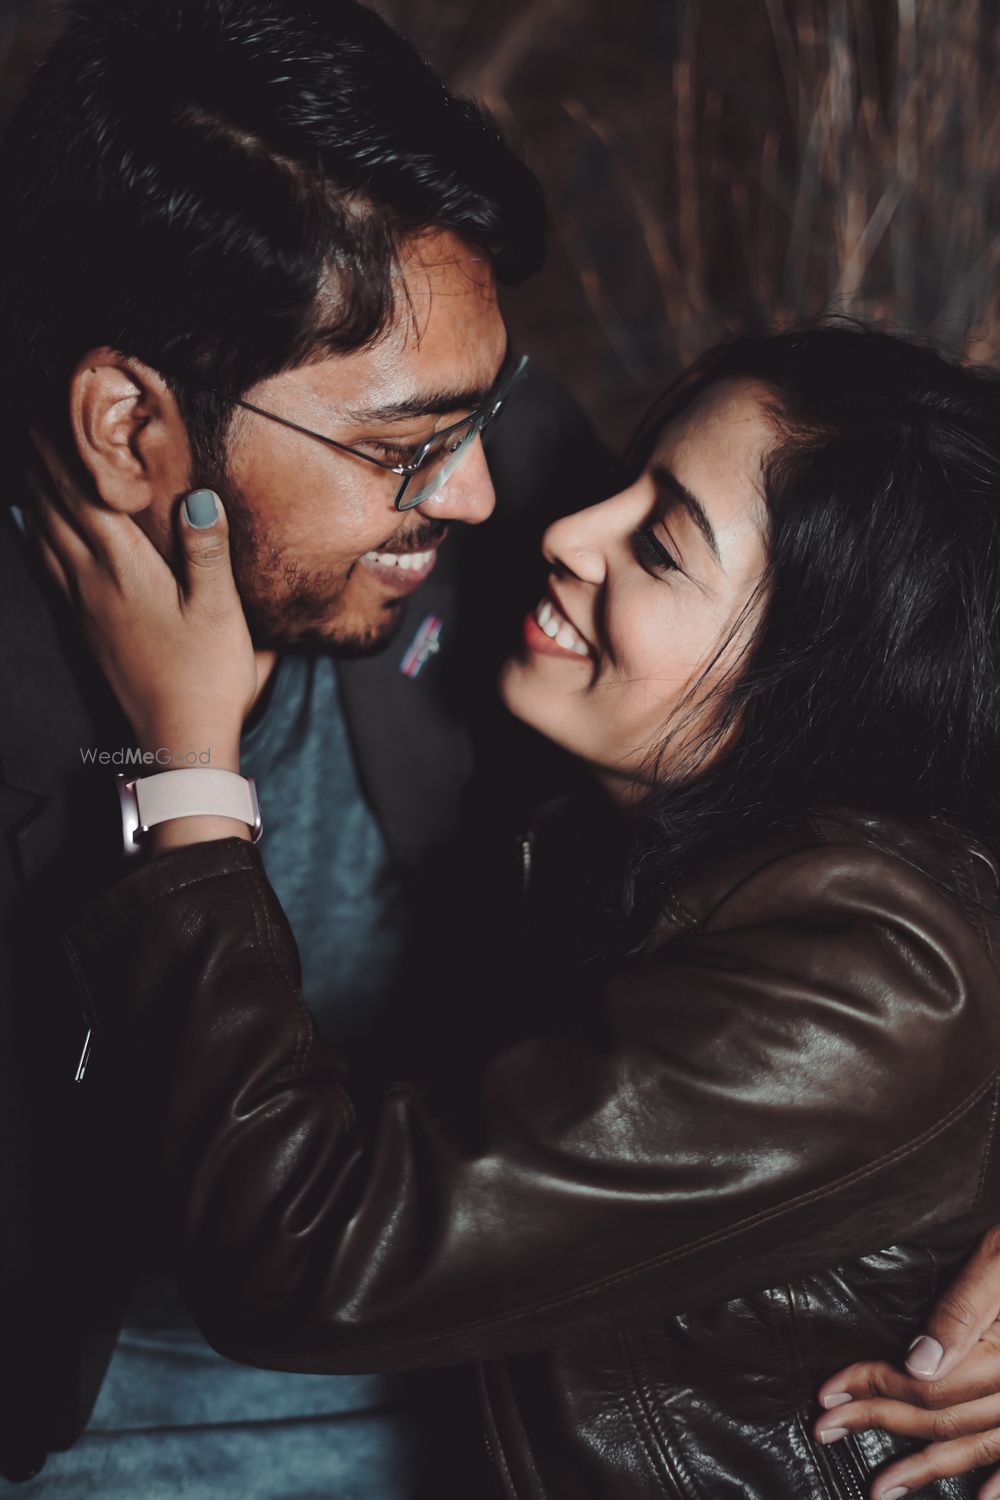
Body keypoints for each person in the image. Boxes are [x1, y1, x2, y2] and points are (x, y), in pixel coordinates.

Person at [32, 320, 1000, 1499]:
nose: (565, 533)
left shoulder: (868, 980)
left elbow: (309, 1251)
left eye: (658, 548)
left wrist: (187, 764)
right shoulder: (675, 830)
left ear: (816, 681)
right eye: (623, 489)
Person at [0, 0, 618, 1489]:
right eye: (406, 449)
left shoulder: (529, 483)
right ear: (127, 427)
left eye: (478, 416)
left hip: (512, 1427)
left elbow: (882, 805)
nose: (471, 499)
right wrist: (181, 777)